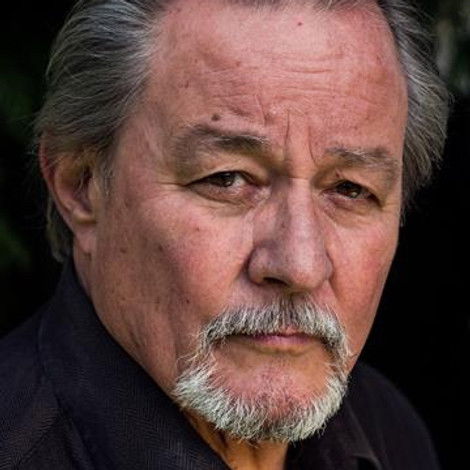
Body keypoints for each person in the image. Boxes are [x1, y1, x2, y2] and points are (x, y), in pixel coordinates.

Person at [0, 0, 449, 469]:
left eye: (350, 189)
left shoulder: (388, 431)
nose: (300, 265)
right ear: (81, 186)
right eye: (227, 179)